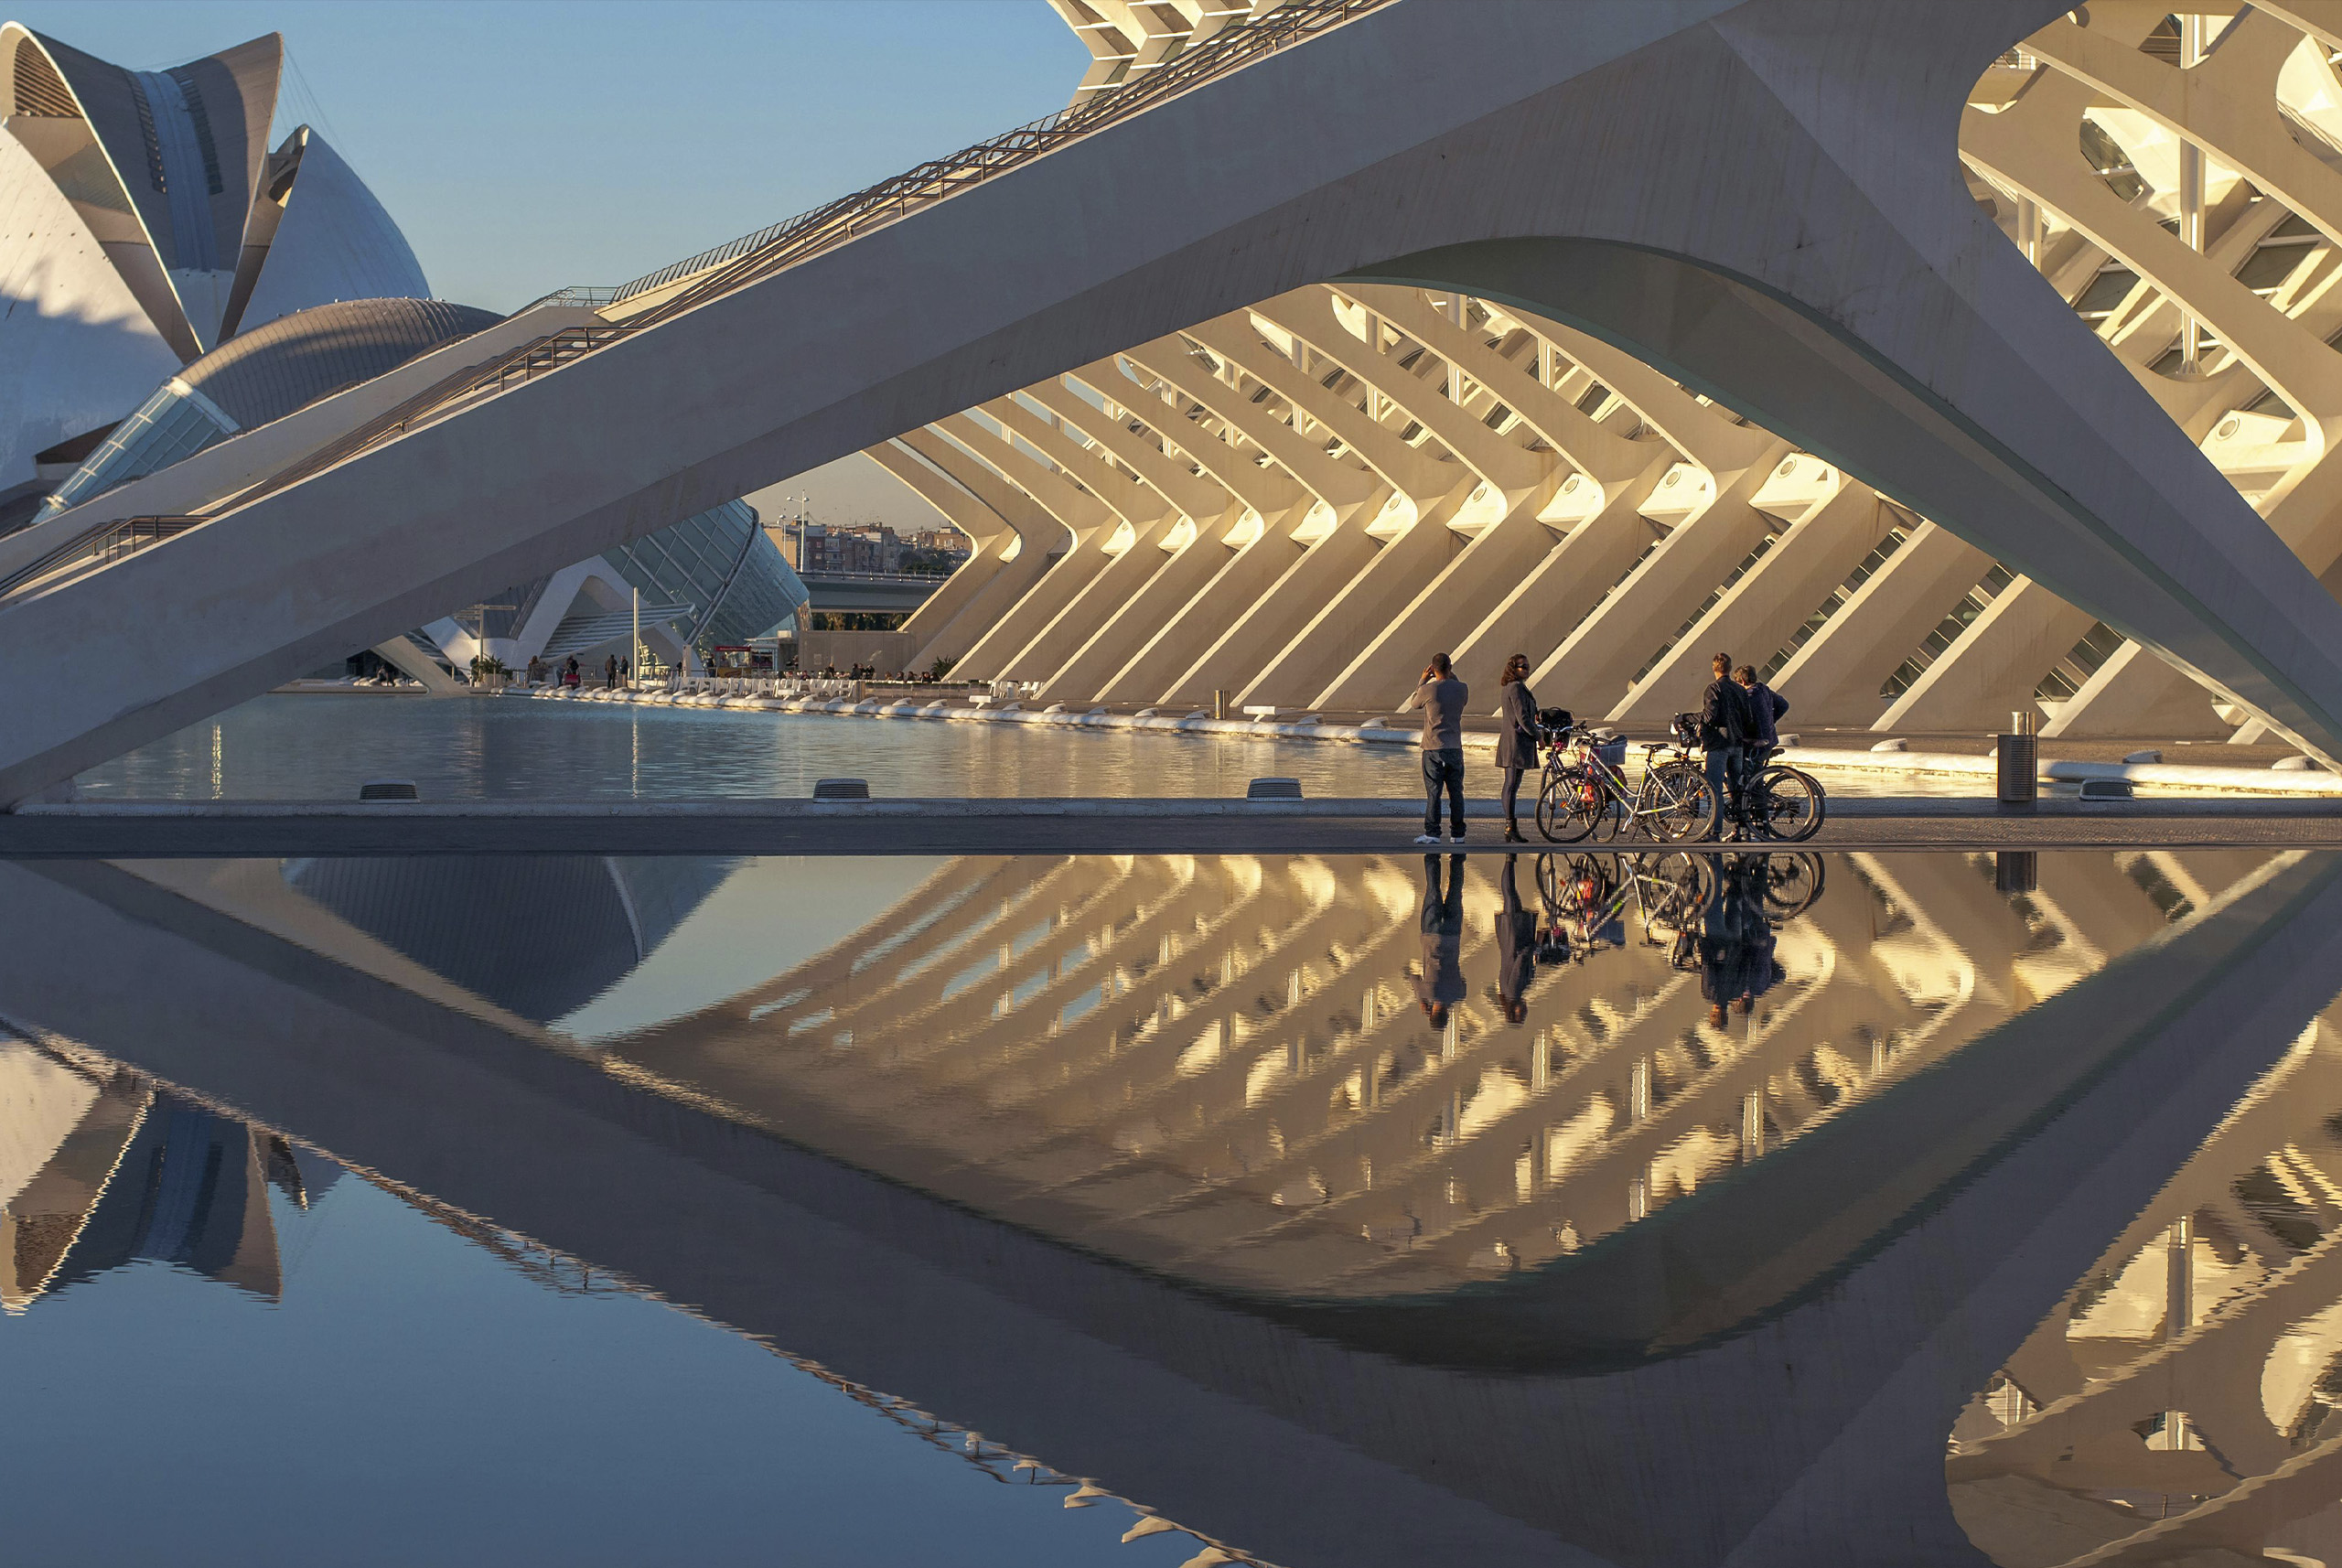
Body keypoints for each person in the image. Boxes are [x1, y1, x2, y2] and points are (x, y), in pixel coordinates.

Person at [1405, 652, 1469, 843]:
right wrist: (1451, 675)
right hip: (1455, 748)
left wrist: (1423, 680)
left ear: (1433, 669)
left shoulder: (1428, 690)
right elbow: (1458, 691)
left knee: (1434, 792)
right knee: (1456, 792)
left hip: (1433, 748)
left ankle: (1432, 833)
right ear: (1450, 668)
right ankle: (1458, 833)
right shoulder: (1462, 689)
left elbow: (1414, 703)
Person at [1698, 651, 1756, 840]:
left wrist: (1686, 718)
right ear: (1730, 669)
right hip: (1737, 744)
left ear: (1714, 668)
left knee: (1714, 789)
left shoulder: (1713, 688)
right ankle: (1742, 828)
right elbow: (1748, 717)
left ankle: (1715, 831)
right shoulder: (1739, 690)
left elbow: (1709, 716)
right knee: (1737, 789)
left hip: (1719, 744)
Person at [1414, 854, 1466, 1028]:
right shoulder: (1427, 993)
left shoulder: (1458, 995)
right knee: (1432, 891)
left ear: (1447, 1015)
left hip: (1452, 936)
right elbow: (1413, 978)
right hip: (1432, 936)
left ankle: (1458, 859)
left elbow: (1463, 981)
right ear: (1431, 1015)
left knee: (1456, 891)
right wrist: (1423, 1002)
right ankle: (1432, 856)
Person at [1734, 663, 1789, 820]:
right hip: (1769, 740)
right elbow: (1784, 705)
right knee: (1754, 779)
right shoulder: (1763, 689)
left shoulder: (1749, 696)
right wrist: (1771, 722)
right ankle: (1756, 819)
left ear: (1742, 682)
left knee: (1754, 783)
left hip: (1758, 743)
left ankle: (1761, 823)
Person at [1496, 653, 1540, 843]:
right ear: (1514, 669)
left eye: (1528, 667)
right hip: (1515, 742)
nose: (1527, 670)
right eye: (1523, 667)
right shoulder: (1515, 688)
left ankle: (1510, 826)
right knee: (1512, 785)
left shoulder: (1512, 687)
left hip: (1513, 741)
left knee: (1512, 785)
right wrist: (1538, 736)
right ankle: (1510, 826)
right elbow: (1522, 717)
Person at [1495, 854, 1537, 1024]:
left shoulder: (1514, 991)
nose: (1525, 1010)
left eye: (1522, 1013)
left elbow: (1520, 962)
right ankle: (1509, 861)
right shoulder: (1506, 992)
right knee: (1510, 895)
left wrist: (1535, 945)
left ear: (1514, 1010)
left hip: (1516, 935)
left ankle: (1509, 860)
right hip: (1509, 937)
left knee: (1510, 894)